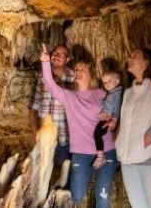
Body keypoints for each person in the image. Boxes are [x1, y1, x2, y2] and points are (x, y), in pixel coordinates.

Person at [39, 45, 116, 208]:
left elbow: (117, 110)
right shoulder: (70, 97)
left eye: (82, 69)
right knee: (75, 197)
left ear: (91, 74)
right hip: (81, 153)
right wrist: (45, 63)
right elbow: (51, 86)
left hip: (107, 149)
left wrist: (114, 122)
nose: (78, 72)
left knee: (103, 197)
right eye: (76, 69)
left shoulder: (102, 93)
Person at [115, 48, 151, 208]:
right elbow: (125, 123)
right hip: (126, 159)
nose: (130, 58)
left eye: (135, 55)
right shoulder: (128, 92)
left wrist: (149, 137)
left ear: (147, 62)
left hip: (148, 157)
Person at [29, 44, 75, 164]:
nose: (57, 56)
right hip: (44, 135)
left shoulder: (74, 78)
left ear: (68, 59)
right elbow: (33, 107)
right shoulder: (41, 76)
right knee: (42, 172)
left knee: (63, 174)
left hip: (65, 136)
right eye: (55, 53)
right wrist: (34, 132)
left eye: (62, 54)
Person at [92, 71, 122, 169]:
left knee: (97, 134)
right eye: (104, 82)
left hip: (110, 120)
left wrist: (114, 120)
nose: (107, 84)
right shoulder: (112, 93)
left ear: (117, 81)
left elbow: (117, 108)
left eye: (109, 81)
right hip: (108, 118)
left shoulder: (116, 94)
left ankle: (101, 157)